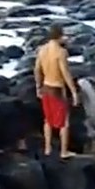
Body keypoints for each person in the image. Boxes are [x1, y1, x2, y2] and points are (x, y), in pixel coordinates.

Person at [34, 24, 81, 158]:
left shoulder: (42, 50)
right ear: (59, 36)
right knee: (64, 122)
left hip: (45, 87)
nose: (66, 38)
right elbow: (65, 73)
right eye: (64, 35)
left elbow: (37, 70)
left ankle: (47, 148)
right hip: (57, 89)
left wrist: (38, 86)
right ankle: (64, 151)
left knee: (47, 120)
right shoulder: (61, 52)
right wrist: (74, 92)